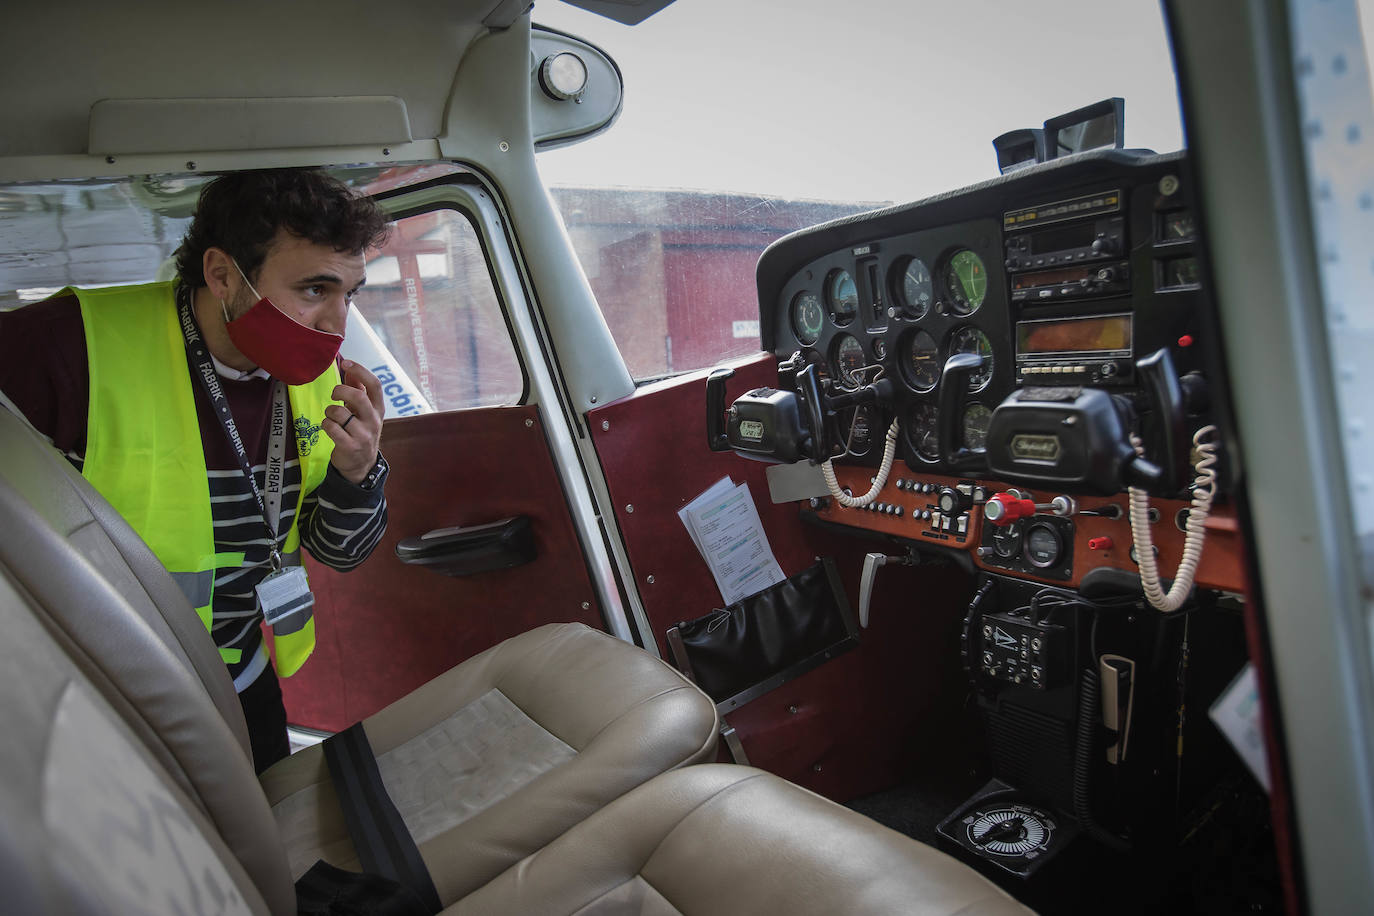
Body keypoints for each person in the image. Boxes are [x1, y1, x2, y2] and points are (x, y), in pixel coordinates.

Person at [0, 169, 393, 772]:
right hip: (104, 697)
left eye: (351, 294)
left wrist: (358, 473)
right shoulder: (64, 347)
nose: (336, 326)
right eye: (315, 290)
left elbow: (338, 553)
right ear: (222, 275)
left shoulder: (325, 382)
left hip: (243, 672)